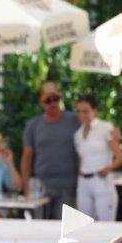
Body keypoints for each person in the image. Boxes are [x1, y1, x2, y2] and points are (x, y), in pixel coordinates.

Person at [21, 81, 80, 219]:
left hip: (68, 186)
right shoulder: (33, 125)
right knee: (39, 227)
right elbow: (26, 157)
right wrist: (26, 187)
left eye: (56, 99)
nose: (53, 103)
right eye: (48, 100)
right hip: (41, 187)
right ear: (41, 103)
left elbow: (92, 131)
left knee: (64, 227)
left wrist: (112, 131)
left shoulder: (74, 120)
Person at [72, 95, 122, 221]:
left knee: (106, 225)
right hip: (83, 183)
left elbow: (120, 156)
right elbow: (81, 159)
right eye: (79, 111)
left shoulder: (106, 128)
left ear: (94, 111)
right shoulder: (77, 134)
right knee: (83, 224)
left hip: (101, 181)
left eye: (86, 111)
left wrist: (109, 168)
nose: (82, 115)